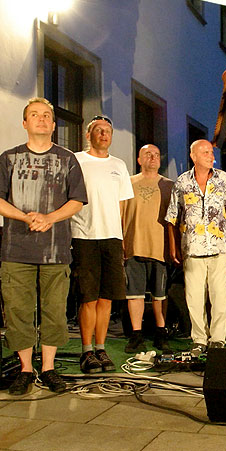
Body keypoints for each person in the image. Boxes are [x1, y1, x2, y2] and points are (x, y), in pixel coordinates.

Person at [0, 97, 87, 394]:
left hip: (56, 250)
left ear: (54, 125)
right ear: (25, 123)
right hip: (16, 250)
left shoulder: (68, 159)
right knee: (18, 310)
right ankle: (26, 369)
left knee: (54, 311)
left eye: (46, 115)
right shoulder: (8, 158)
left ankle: (49, 368)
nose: (41, 119)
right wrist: (25, 216)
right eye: (35, 115)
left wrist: (50, 218)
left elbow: (77, 200)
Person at [71, 115, 134, 373]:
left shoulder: (118, 165)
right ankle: (86, 350)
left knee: (107, 297)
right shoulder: (77, 161)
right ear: (89, 135)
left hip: (111, 237)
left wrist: (121, 238)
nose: (103, 134)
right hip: (84, 235)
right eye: (98, 130)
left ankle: (101, 347)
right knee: (88, 297)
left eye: (107, 130)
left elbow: (121, 205)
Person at [167, 139, 226, 357]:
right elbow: (172, 217)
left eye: (211, 151)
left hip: (219, 250)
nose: (211, 155)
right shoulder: (181, 183)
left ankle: (218, 339)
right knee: (194, 299)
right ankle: (199, 340)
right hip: (193, 250)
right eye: (205, 152)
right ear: (193, 156)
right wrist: (174, 247)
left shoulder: (223, 179)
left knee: (220, 297)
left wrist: (225, 238)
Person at [121, 144, 174, 353]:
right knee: (134, 294)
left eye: (157, 155)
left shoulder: (169, 185)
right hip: (134, 245)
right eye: (148, 154)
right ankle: (136, 335)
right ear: (139, 159)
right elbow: (120, 214)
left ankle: (161, 334)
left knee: (160, 294)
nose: (152, 158)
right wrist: (121, 243)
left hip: (160, 248)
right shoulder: (127, 183)